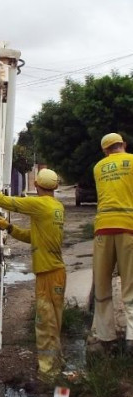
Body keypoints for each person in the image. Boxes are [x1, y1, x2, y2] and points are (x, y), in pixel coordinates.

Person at [0, 169, 66, 382]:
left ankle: (49, 373)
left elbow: (7, 202)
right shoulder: (56, 207)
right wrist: (9, 227)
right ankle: (55, 365)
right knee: (53, 321)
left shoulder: (40, 204)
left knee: (45, 321)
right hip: (55, 271)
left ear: (37, 186)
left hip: (49, 272)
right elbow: (34, 237)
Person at [89, 133, 133, 355]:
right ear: (123, 145)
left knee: (103, 282)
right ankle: (131, 338)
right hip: (129, 228)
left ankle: (106, 337)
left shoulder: (98, 167)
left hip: (103, 228)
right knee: (130, 285)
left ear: (105, 151)